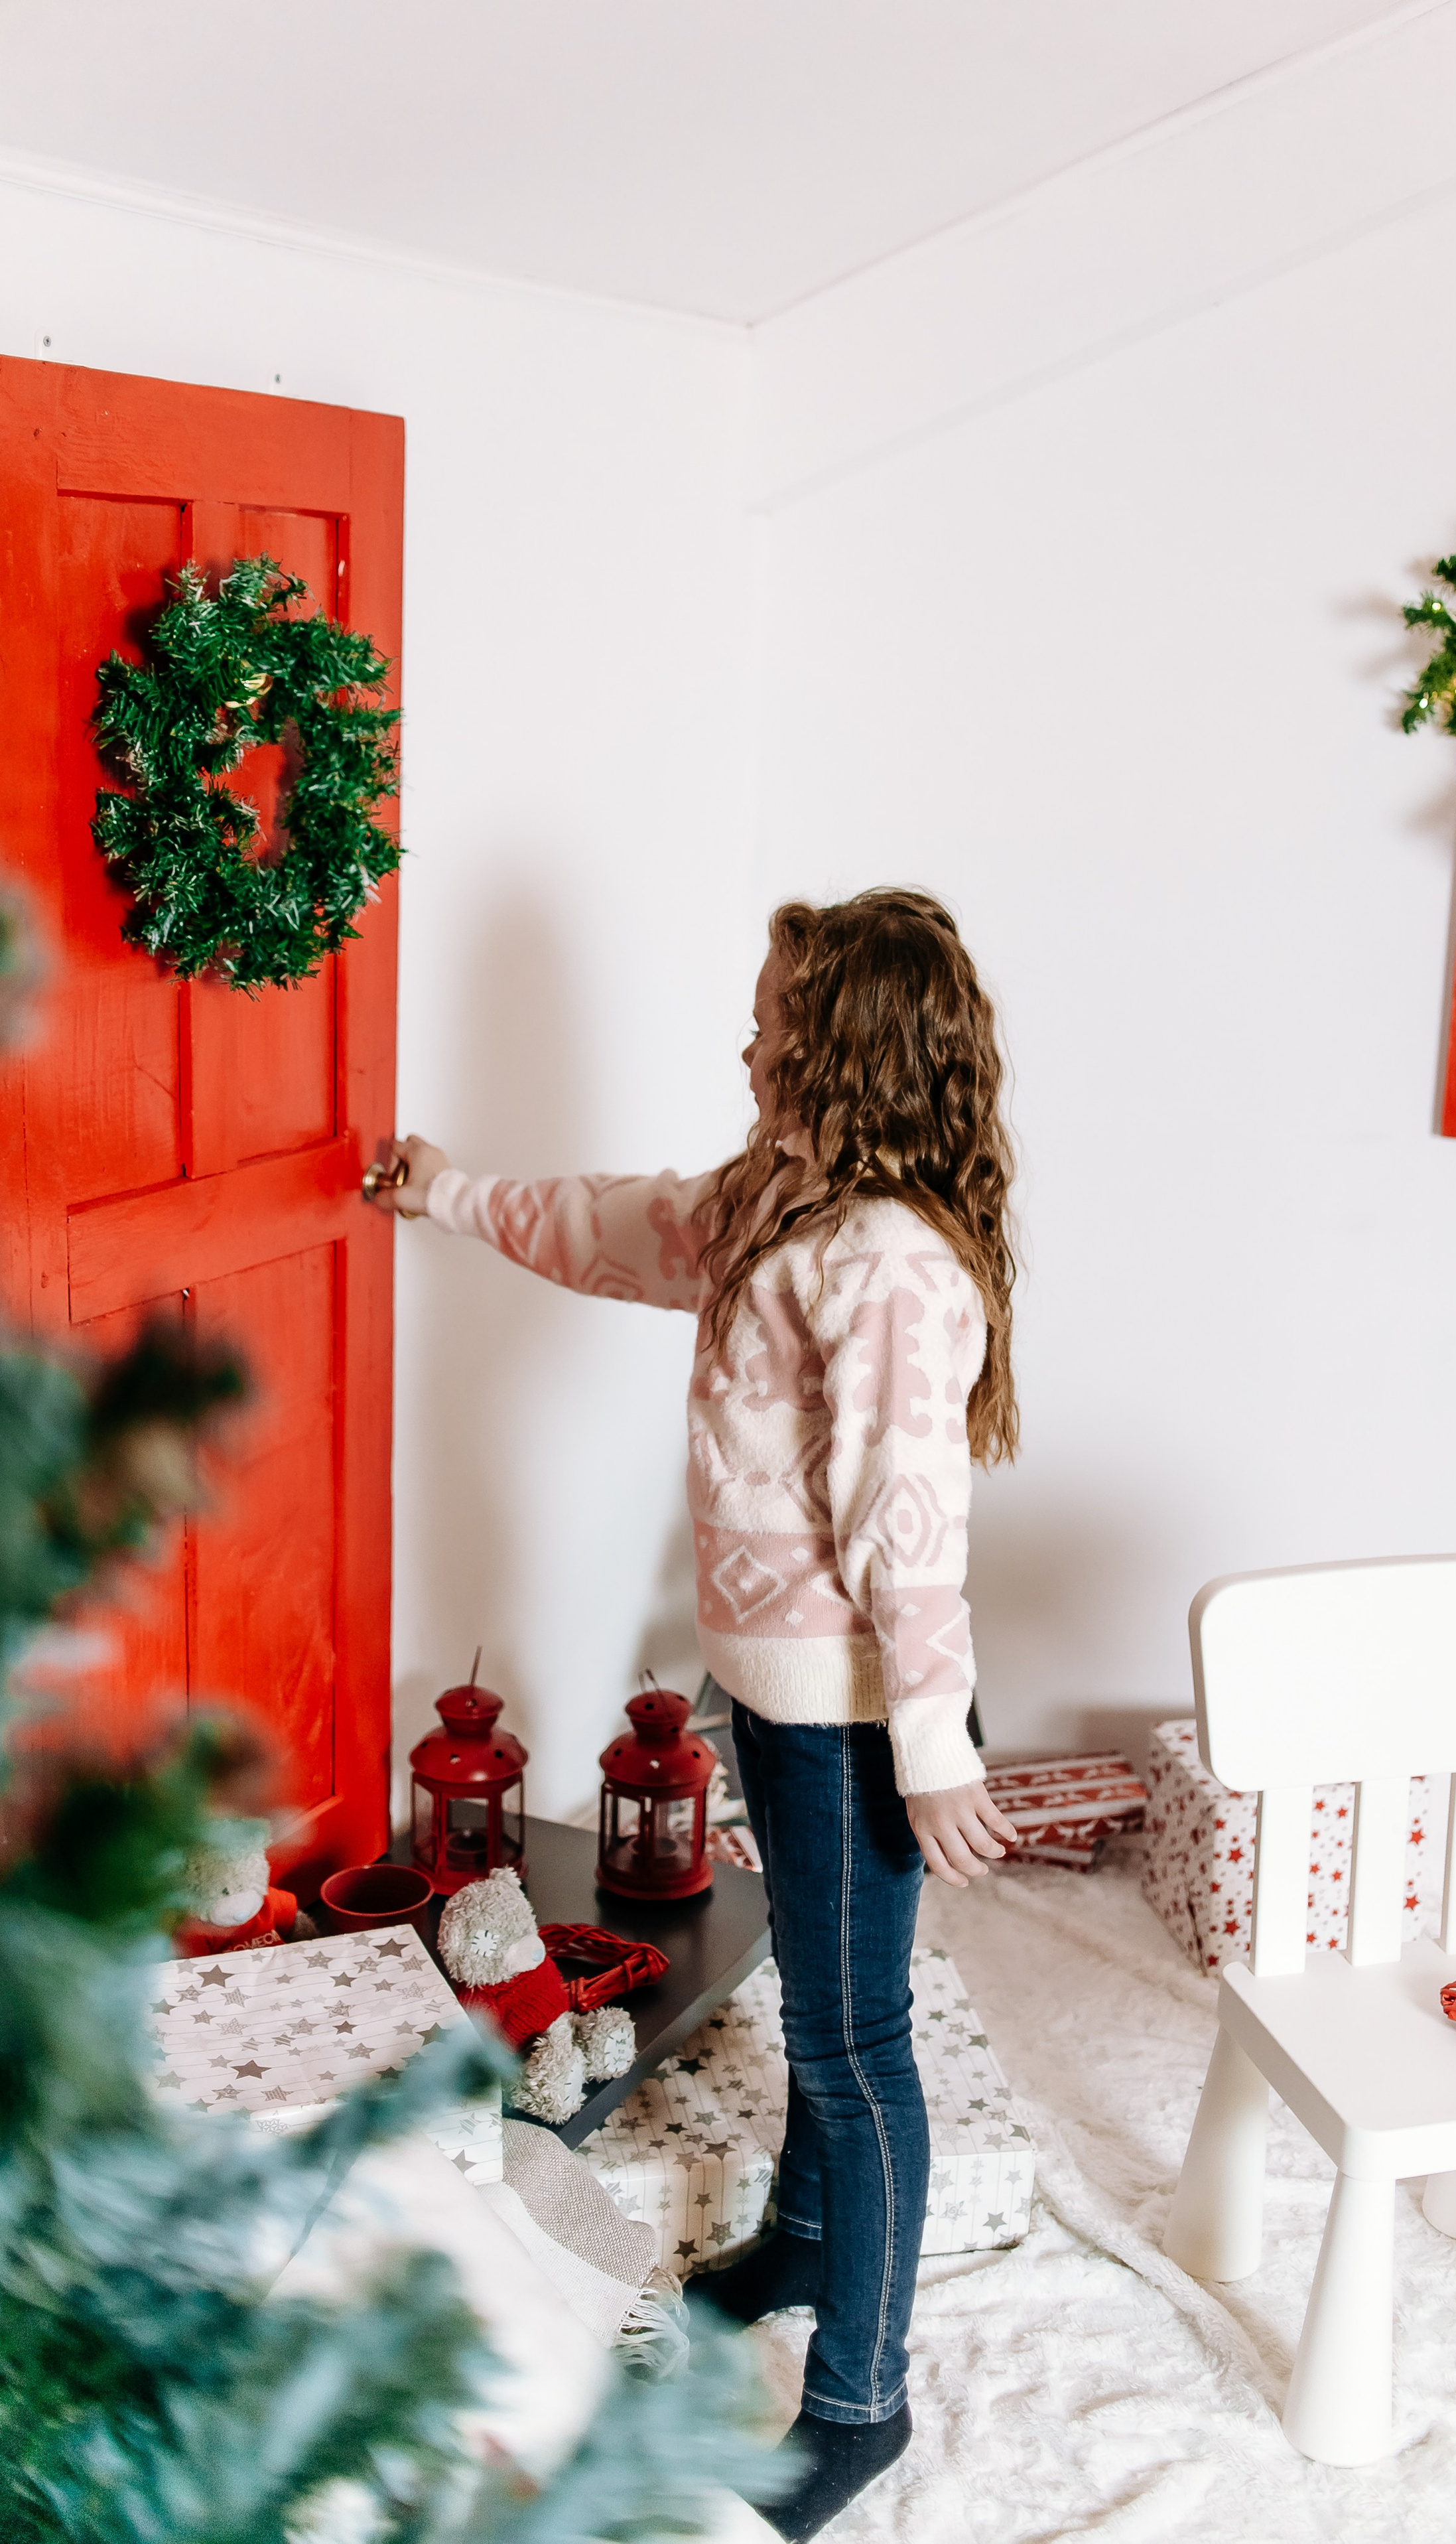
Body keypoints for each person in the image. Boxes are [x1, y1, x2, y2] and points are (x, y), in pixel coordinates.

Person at [377, 886, 1020, 2539]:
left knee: (861, 2046)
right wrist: (445, 1191)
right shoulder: (769, 1209)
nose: (744, 1040)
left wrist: (933, 1743)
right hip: (776, 1694)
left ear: (842, 1053)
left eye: (770, 1022)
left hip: (861, 1714)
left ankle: (862, 2401)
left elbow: (906, 1516)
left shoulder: (887, 1264)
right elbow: (611, 1224)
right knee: (818, 1996)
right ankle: (809, 2233)